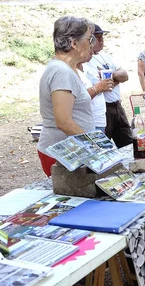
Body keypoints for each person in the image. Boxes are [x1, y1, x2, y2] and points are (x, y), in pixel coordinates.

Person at [37, 16, 97, 176]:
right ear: (74, 43)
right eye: (89, 39)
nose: (92, 44)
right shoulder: (61, 71)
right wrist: (95, 147)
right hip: (63, 155)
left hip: (70, 153)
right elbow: (64, 122)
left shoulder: (66, 69)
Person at [88, 24, 131, 148]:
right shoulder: (87, 61)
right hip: (103, 107)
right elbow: (101, 83)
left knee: (127, 141)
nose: (101, 40)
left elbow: (125, 75)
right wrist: (115, 78)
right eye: (97, 37)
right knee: (102, 147)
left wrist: (110, 76)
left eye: (102, 37)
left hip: (117, 104)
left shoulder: (106, 56)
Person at [78, 49, 114, 133]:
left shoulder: (89, 67)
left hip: (100, 120)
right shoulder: (71, 71)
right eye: (88, 48)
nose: (91, 51)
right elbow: (77, 99)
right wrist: (97, 88)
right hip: (87, 123)